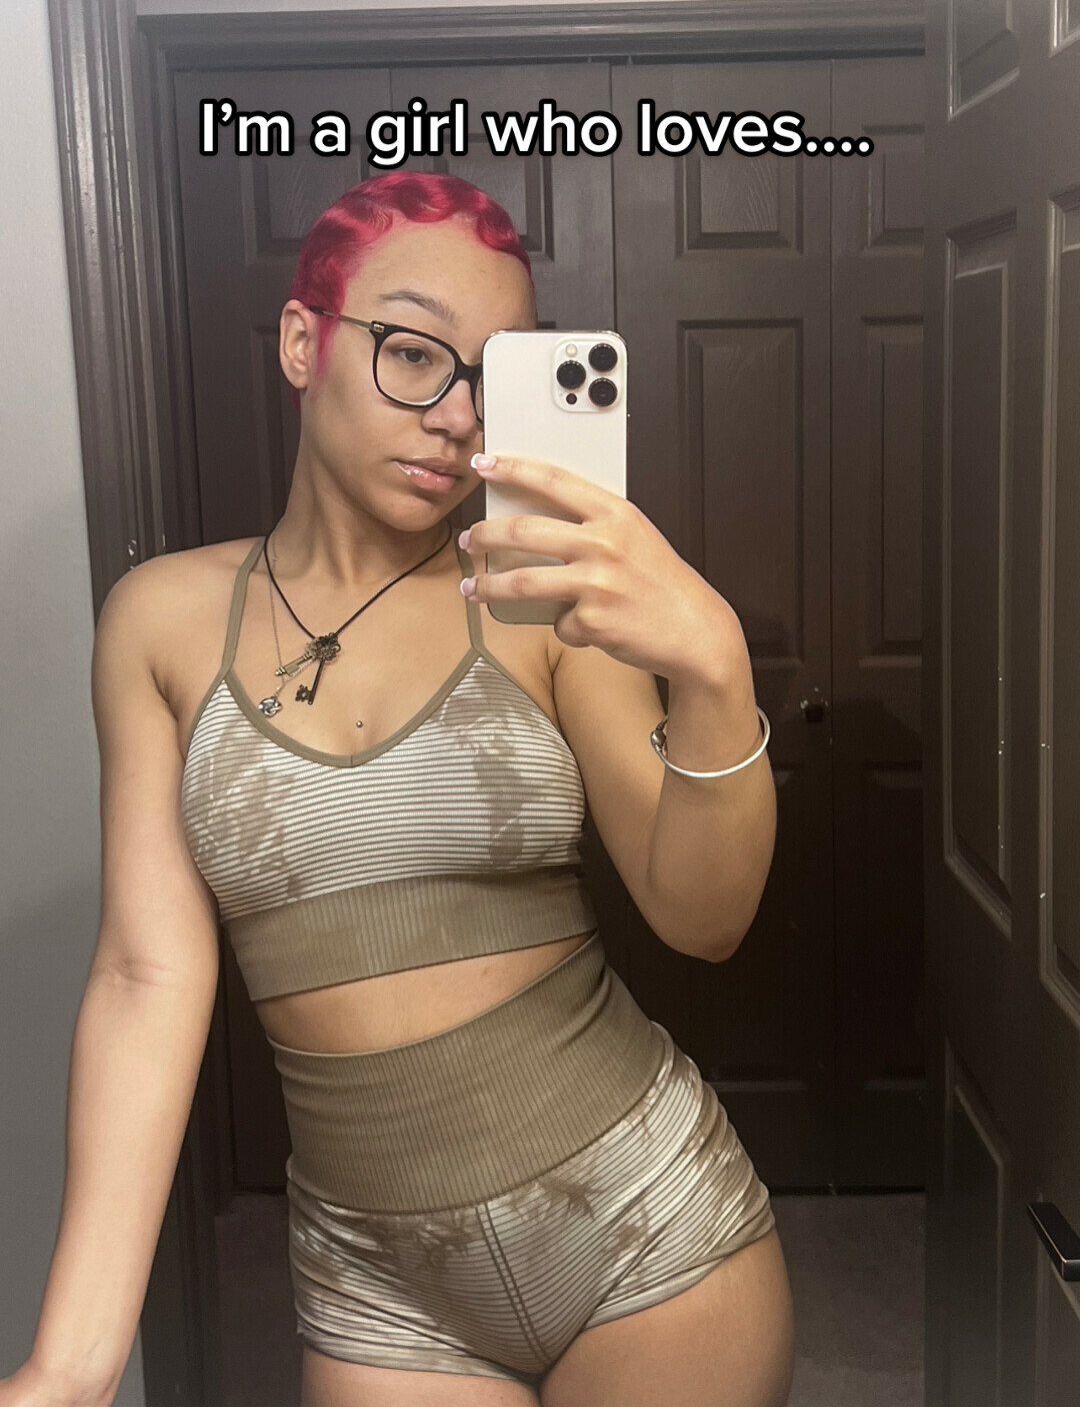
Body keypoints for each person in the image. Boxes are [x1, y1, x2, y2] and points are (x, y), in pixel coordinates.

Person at [1, 171, 795, 1407]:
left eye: (492, 377)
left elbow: (707, 918)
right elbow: (147, 977)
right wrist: (68, 1367)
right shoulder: (158, 623)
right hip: (382, 1292)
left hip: (647, 1228)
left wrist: (713, 666)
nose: (458, 417)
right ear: (303, 342)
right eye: (414, 354)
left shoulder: (541, 599)